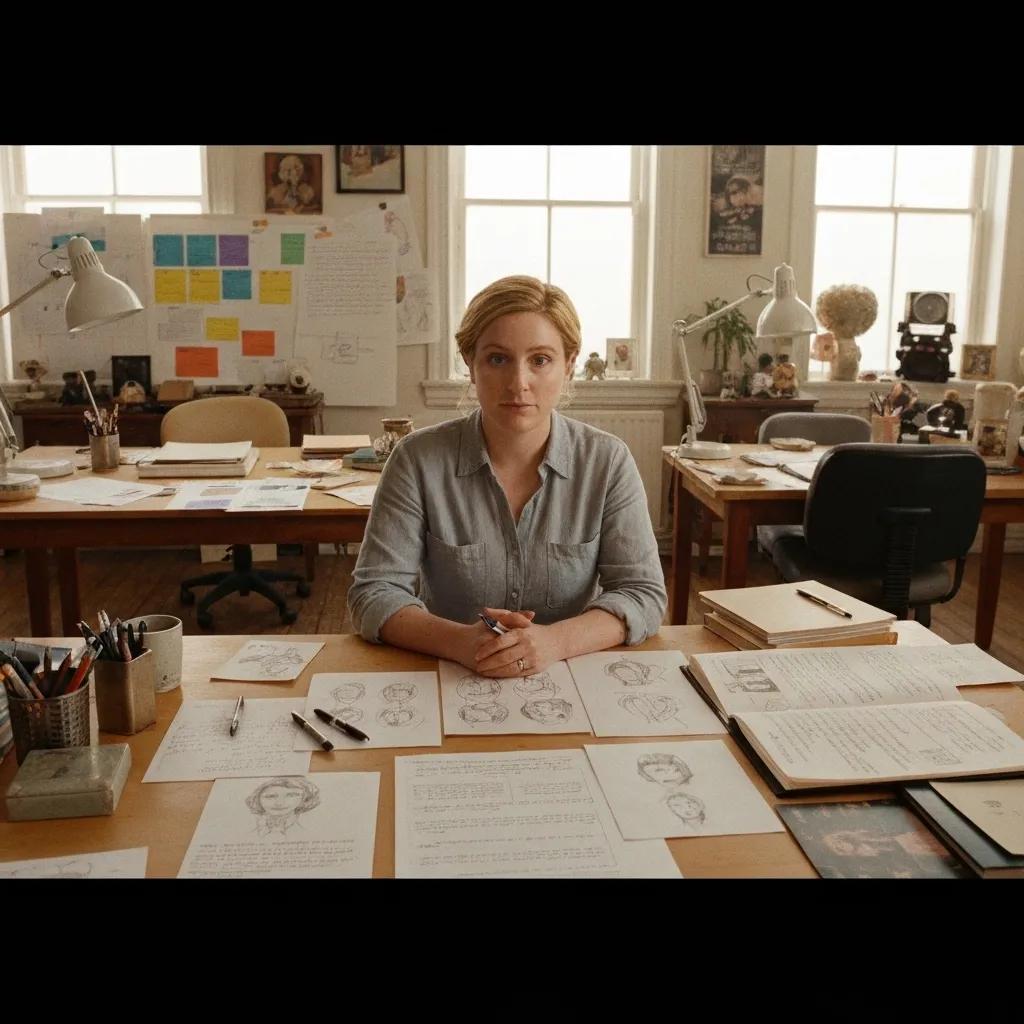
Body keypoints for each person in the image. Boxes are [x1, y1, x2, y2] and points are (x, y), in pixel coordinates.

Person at [348, 275, 667, 677]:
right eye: (497, 358)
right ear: (471, 365)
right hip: (448, 678)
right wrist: (463, 642)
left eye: (540, 360)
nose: (519, 383)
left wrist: (554, 642)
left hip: (570, 680)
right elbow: (374, 593)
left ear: (569, 365)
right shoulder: (417, 459)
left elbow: (643, 594)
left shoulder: (607, 462)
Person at [245, 777, 320, 838]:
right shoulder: (248, 835)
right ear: (257, 799)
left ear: (305, 798)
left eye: (291, 795)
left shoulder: (309, 834)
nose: (279, 803)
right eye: (270, 796)